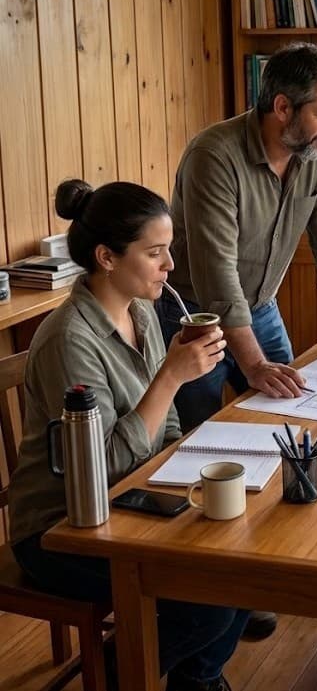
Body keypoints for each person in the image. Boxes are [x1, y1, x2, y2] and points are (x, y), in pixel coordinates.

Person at [9, 179, 249, 691]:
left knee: (249, 563)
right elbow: (97, 470)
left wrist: (189, 466)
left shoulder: (142, 310)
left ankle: (195, 679)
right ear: (107, 257)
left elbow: (163, 428)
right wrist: (170, 378)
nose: (170, 267)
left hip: (132, 499)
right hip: (61, 527)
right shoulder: (69, 341)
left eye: (169, 252)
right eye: (156, 253)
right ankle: (122, 671)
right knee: (209, 602)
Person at [157, 42, 317, 432]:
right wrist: (253, 364)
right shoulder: (214, 156)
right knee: (199, 435)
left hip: (261, 307)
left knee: (291, 420)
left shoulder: (316, 151)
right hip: (196, 316)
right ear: (283, 108)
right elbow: (217, 273)